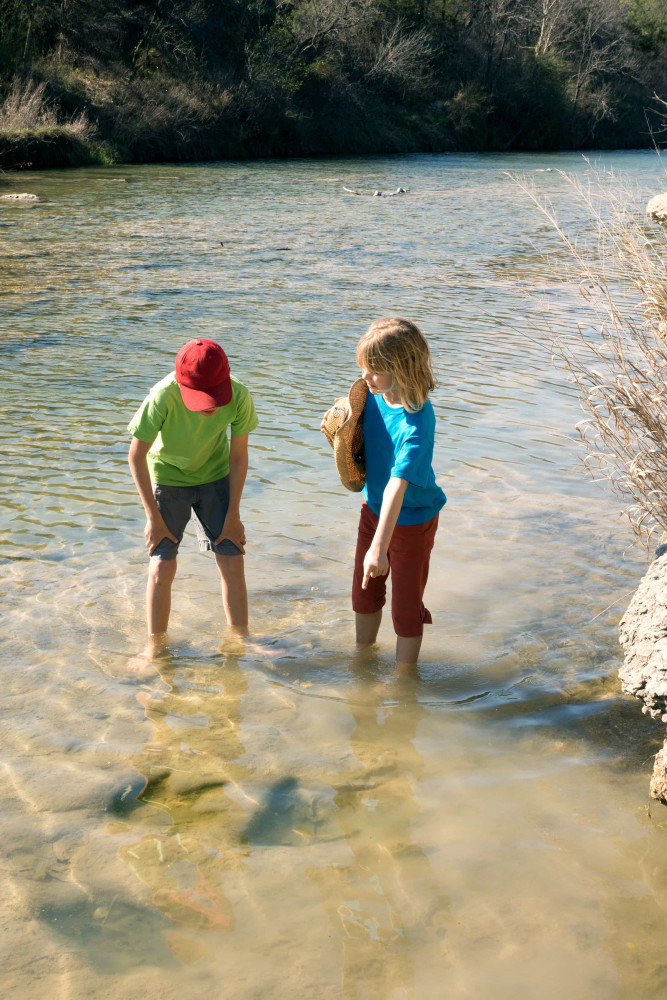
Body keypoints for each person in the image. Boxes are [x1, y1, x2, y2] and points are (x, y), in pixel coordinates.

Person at [323, 318, 446, 670]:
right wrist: (336, 427)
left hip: (412, 519)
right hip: (373, 507)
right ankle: (363, 660)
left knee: (405, 608)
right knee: (364, 593)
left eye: (374, 370)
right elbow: (351, 429)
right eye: (362, 368)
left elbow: (398, 483)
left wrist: (380, 546)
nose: (365, 377)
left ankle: (405, 682)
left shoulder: (418, 421)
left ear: (402, 368)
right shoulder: (371, 398)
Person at [127, 338, 258, 652]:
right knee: (161, 564)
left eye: (215, 397)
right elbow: (136, 456)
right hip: (168, 481)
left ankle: (241, 640)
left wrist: (233, 516)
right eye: (201, 398)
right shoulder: (163, 396)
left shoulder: (239, 395)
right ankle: (154, 648)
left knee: (232, 557)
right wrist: (152, 519)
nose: (210, 406)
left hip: (215, 479)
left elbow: (239, 456)